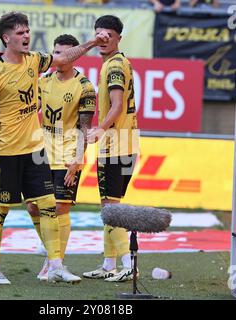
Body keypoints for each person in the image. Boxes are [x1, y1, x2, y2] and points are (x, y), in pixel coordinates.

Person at [0, 11, 108, 285]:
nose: (26, 36)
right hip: (5, 153)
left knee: (48, 206)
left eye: (27, 31)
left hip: (35, 151)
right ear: (6, 37)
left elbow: (64, 58)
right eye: (20, 32)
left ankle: (56, 265)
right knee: (0, 210)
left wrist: (92, 44)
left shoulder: (34, 60)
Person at [28, 34, 96, 281]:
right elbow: (29, 111)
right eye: (57, 52)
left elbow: (85, 128)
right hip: (40, 152)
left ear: (76, 54)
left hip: (68, 153)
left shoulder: (85, 87)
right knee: (33, 207)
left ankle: (54, 261)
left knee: (59, 207)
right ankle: (51, 254)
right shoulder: (43, 81)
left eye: (66, 53)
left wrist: (78, 159)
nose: (60, 57)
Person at [83, 15, 140, 282]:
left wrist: (101, 129)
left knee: (110, 207)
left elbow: (117, 105)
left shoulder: (114, 66)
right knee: (110, 206)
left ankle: (129, 265)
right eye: (99, 35)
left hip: (115, 143)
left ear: (118, 37)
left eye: (108, 35)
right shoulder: (119, 62)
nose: (103, 40)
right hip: (126, 141)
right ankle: (109, 264)